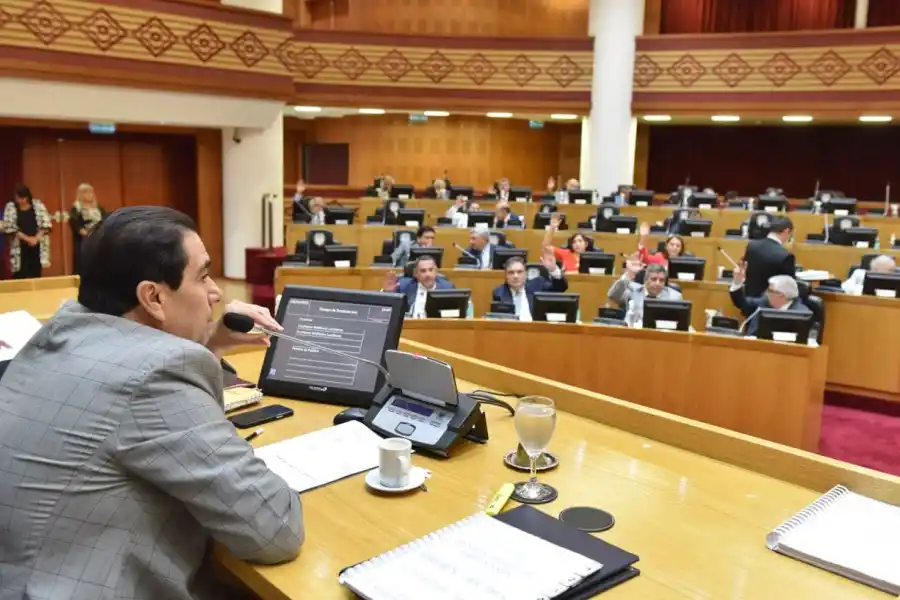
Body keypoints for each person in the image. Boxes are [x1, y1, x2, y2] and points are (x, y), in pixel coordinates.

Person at [0, 206, 304, 599]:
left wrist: (207, 344)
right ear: (153, 297)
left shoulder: (61, 333)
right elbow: (275, 529)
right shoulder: (156, 376)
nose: (216, 294)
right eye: (204, 276)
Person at [729, 263, 811, 335]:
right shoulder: (764, 302)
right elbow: (742, 303)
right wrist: (737, 282)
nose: (765, 293)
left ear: (781, 295)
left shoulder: (801, 314)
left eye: (770, 291)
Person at [491, 252, 567, 321]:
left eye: (519, 272)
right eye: (511, 272)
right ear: (506, 276)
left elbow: (560, 288)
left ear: (525, 274)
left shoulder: (538, 285)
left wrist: (553, 270)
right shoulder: (499, 293)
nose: (515, 276)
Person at [607, 260, 683, 327]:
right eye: (654, 279)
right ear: (645, 280)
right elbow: (613, 295)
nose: (658, 283)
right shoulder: (633, 290)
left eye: (661, 280)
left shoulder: (674, 297)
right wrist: (629, 275)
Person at [2, 184, 52, 279]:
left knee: (35, 274)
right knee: (20, 275)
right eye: (17, 198)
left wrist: (36, 239)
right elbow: (9, 227)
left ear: (28, 197)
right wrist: (27, 239)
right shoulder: (10, 207)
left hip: (37, 245)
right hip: (20, 246)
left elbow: (46, 224)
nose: (20, 201)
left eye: (22, 198)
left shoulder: (38, 205)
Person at [382, 254, 456, 318]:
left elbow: (454, 313)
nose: (428, 274)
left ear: (436, 271)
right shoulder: (403, 286)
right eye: (423, 271)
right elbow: (386, 310)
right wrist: (387, 292)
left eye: (431, 270)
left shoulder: (447, 288)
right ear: (415, 273)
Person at [742, 216, 796, 297]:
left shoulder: (751, 245)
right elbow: (790, 287)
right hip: (771, 304)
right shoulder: (785, 255)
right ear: (786, 231)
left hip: (749, 301)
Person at [69, 182, 106, 274]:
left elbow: (105, 219)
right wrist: (83, 231)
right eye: (87, 192)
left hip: (97, 236)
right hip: (84, 238)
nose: (90, 195)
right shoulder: (77, 207)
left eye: (91, 192)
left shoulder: (98, 207)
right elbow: (73, 221)